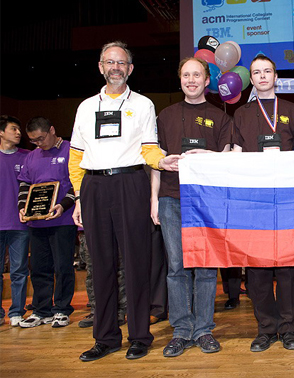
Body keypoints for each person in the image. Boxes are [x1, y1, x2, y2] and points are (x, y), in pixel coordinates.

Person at [69, 41, 181, 361]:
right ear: (100, 67)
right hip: (93, 186)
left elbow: (149, 148)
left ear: (130, 69)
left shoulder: (143, 105)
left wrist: (162, 161)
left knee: (136, 262)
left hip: (131, 183)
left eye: (121, 63)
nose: (115, 67)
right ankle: (105, 337)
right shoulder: (86, 107)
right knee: (100, 263)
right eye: (110, 62)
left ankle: (139, 336)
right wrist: (78, 197)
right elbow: (76, 157)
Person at [150, 57, 232, 357]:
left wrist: (208, 155)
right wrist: (154, 199)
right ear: (180, 79)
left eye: (197, 75)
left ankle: (204, 329)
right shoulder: (165, 116)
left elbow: (227, 159)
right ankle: (182, 330)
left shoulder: (220, 117)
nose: (191, 80)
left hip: (207, 200)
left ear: (207, 80)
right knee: (177, 267)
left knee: (207, 267)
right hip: (171, 198)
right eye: (186, 75)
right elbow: (157, 161)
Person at [232, 55, 294, 352]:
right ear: (251, 79)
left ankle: (288, 328)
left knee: (287, 267)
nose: (262, 76)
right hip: (254, 198)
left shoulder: (292, 110)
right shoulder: (241, 114)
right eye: (257, 72)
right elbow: (236, 153)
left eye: (267, 71)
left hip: (286, 198)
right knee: (257, 268)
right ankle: (265, 328)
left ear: (276, 77)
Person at [17, 117, 77, 328]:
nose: (38, 143)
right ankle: (41, 309)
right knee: (39, 267)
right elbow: (25, 184)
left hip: (63, 220)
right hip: (36, 222)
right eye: (33, 140)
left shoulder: (71, 150)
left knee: (63, 266)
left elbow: (78, 183)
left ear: (52, 130)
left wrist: (63, 205)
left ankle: (62, 309)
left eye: (41, 138)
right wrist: (22, 207)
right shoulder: (31, 156)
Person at [0, 115, 30, 327]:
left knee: (19, 271)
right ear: (1, 132)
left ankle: (17, 313)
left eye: (19, 129)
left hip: (20, 224)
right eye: (13, 129)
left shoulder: (28, 157)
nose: (18, 132)